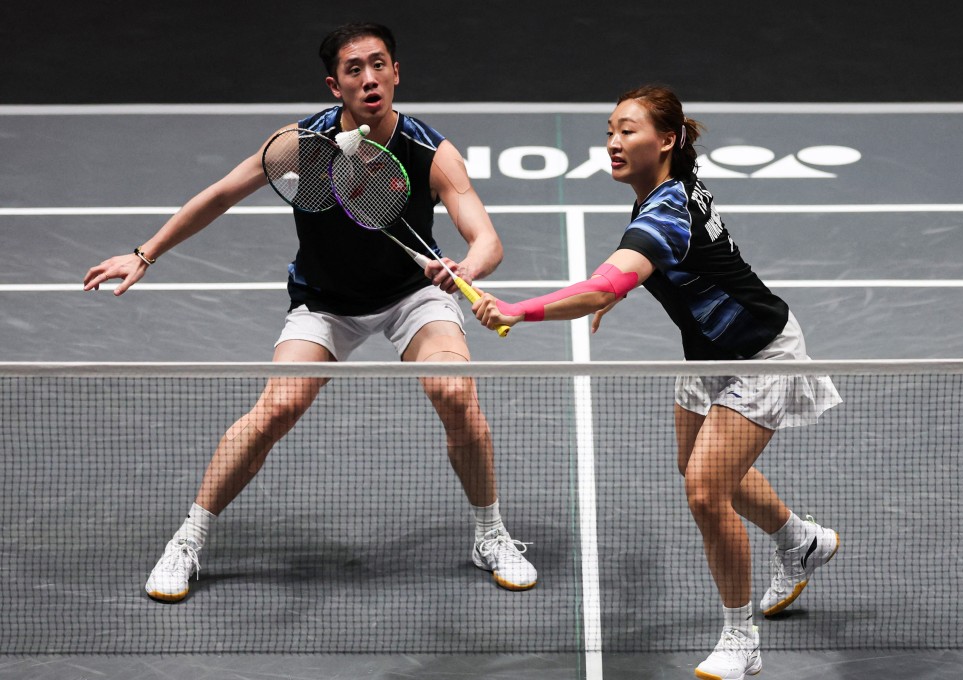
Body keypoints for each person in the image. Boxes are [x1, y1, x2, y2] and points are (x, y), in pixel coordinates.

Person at [83, 22, 537, 602]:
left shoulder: (430, 152)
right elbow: (221, 194)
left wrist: (465, 269)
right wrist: (144, 253)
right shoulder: (302, 144)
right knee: (278, 407)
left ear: (396, 73)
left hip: (411, 296)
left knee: (455, 393)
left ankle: (490, 535)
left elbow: (487, 240)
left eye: (379, 65)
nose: (369, 78)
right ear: (334, 85)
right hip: (325, 301)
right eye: (354, 69)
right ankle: (187, 541)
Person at [472, 85, 841, 680]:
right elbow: (664, 264)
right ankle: (801, 542)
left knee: (705, 492)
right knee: (698, 467)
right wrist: (616, 292)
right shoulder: (666, 191)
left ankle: (740, 639)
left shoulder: (665, 211)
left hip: (761, 354)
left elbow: (606, 281)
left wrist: (520, 309)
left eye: (628, 131)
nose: (613, 143)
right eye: (610, 132)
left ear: (666, 140)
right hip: (708, 354)